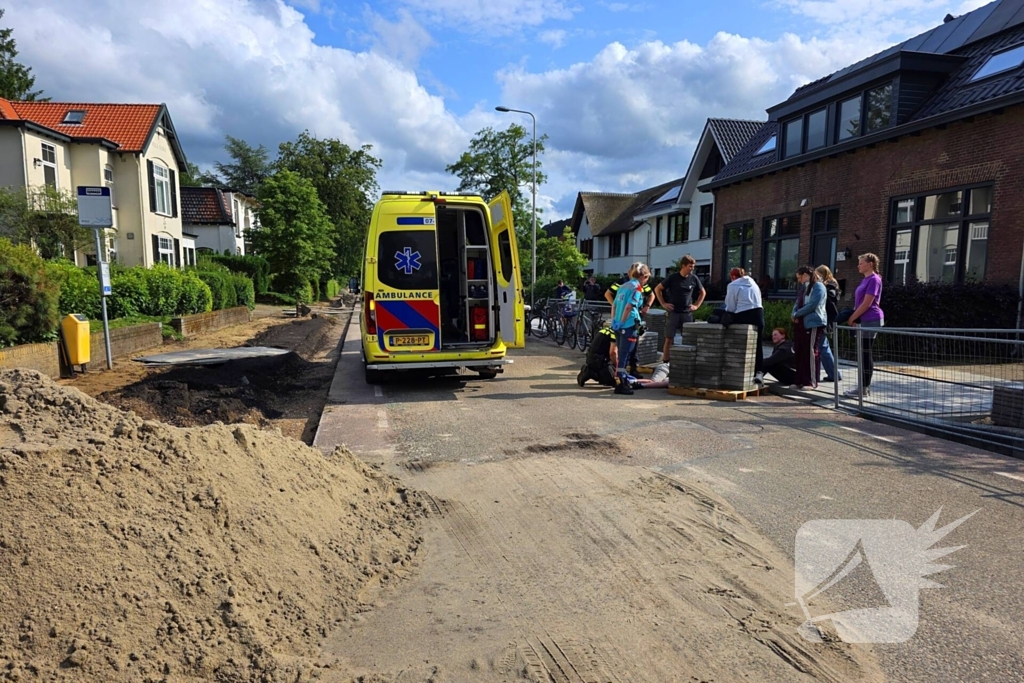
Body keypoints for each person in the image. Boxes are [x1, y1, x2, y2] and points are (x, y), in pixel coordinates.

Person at [846, 253, 884, 397]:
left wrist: (852, 318)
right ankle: (863, 387)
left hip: (871, 318)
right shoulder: (865, 279)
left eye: (861, 263)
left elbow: (867, 303)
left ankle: (864, 388)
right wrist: (856, 318)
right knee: (863, 352)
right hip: (864, 319)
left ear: (870, 264)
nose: (858, 265)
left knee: (865, 352)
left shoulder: (874, 279)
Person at [655, 255, 706, 362]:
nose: (692, 269)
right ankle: (665, 361)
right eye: (690, 266)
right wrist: (663, 303)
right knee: (669, 337)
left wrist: (696, 305)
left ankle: (686, 360)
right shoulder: (673, 277)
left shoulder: (694, 278)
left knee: (688, 337)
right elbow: (657, 289)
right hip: (673, 312)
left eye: (693, 267)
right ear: (683, 266)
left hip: (687, 312)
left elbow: (703, 292)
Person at [611, 263, 651, 395]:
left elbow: (614, 305)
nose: (646, 282)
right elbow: (629, 307)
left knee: (622, 354)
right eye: (647, 279)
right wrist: (623, 322)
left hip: (617, 324)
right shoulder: (637, 288)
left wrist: (615, 321)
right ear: (644, 276)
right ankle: (621, 383)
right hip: (628, 325)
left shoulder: (623, 286)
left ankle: (624, 380)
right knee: (625, 355)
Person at [724, 267, 765, 384]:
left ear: (732, 277)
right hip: (758, 315)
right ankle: (759, 372)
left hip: (744, 314)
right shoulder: (753, 282)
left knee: (718, 315)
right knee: (758, 344)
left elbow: (730, 307)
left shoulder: (732, 285)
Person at [791, 266, 826, 390]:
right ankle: (800, 380)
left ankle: (811, 381)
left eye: (800, 277)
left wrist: (797, 314)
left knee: (810, 352)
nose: (800, 280)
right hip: (802, 323)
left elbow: (812, 305)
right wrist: (794, 313)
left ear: (806, 274)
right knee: (800, 351)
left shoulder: (818, 287)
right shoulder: (805, 287)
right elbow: (798, 301)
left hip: (812, 323)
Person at [815, 265, 843, 383]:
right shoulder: (831, 286)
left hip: (824, 321)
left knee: (823, 347)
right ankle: (832, 373)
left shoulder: (829, 287)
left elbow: (828, 303)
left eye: (817, 275)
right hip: (825, 321)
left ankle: (834, 374)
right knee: (822, 347)